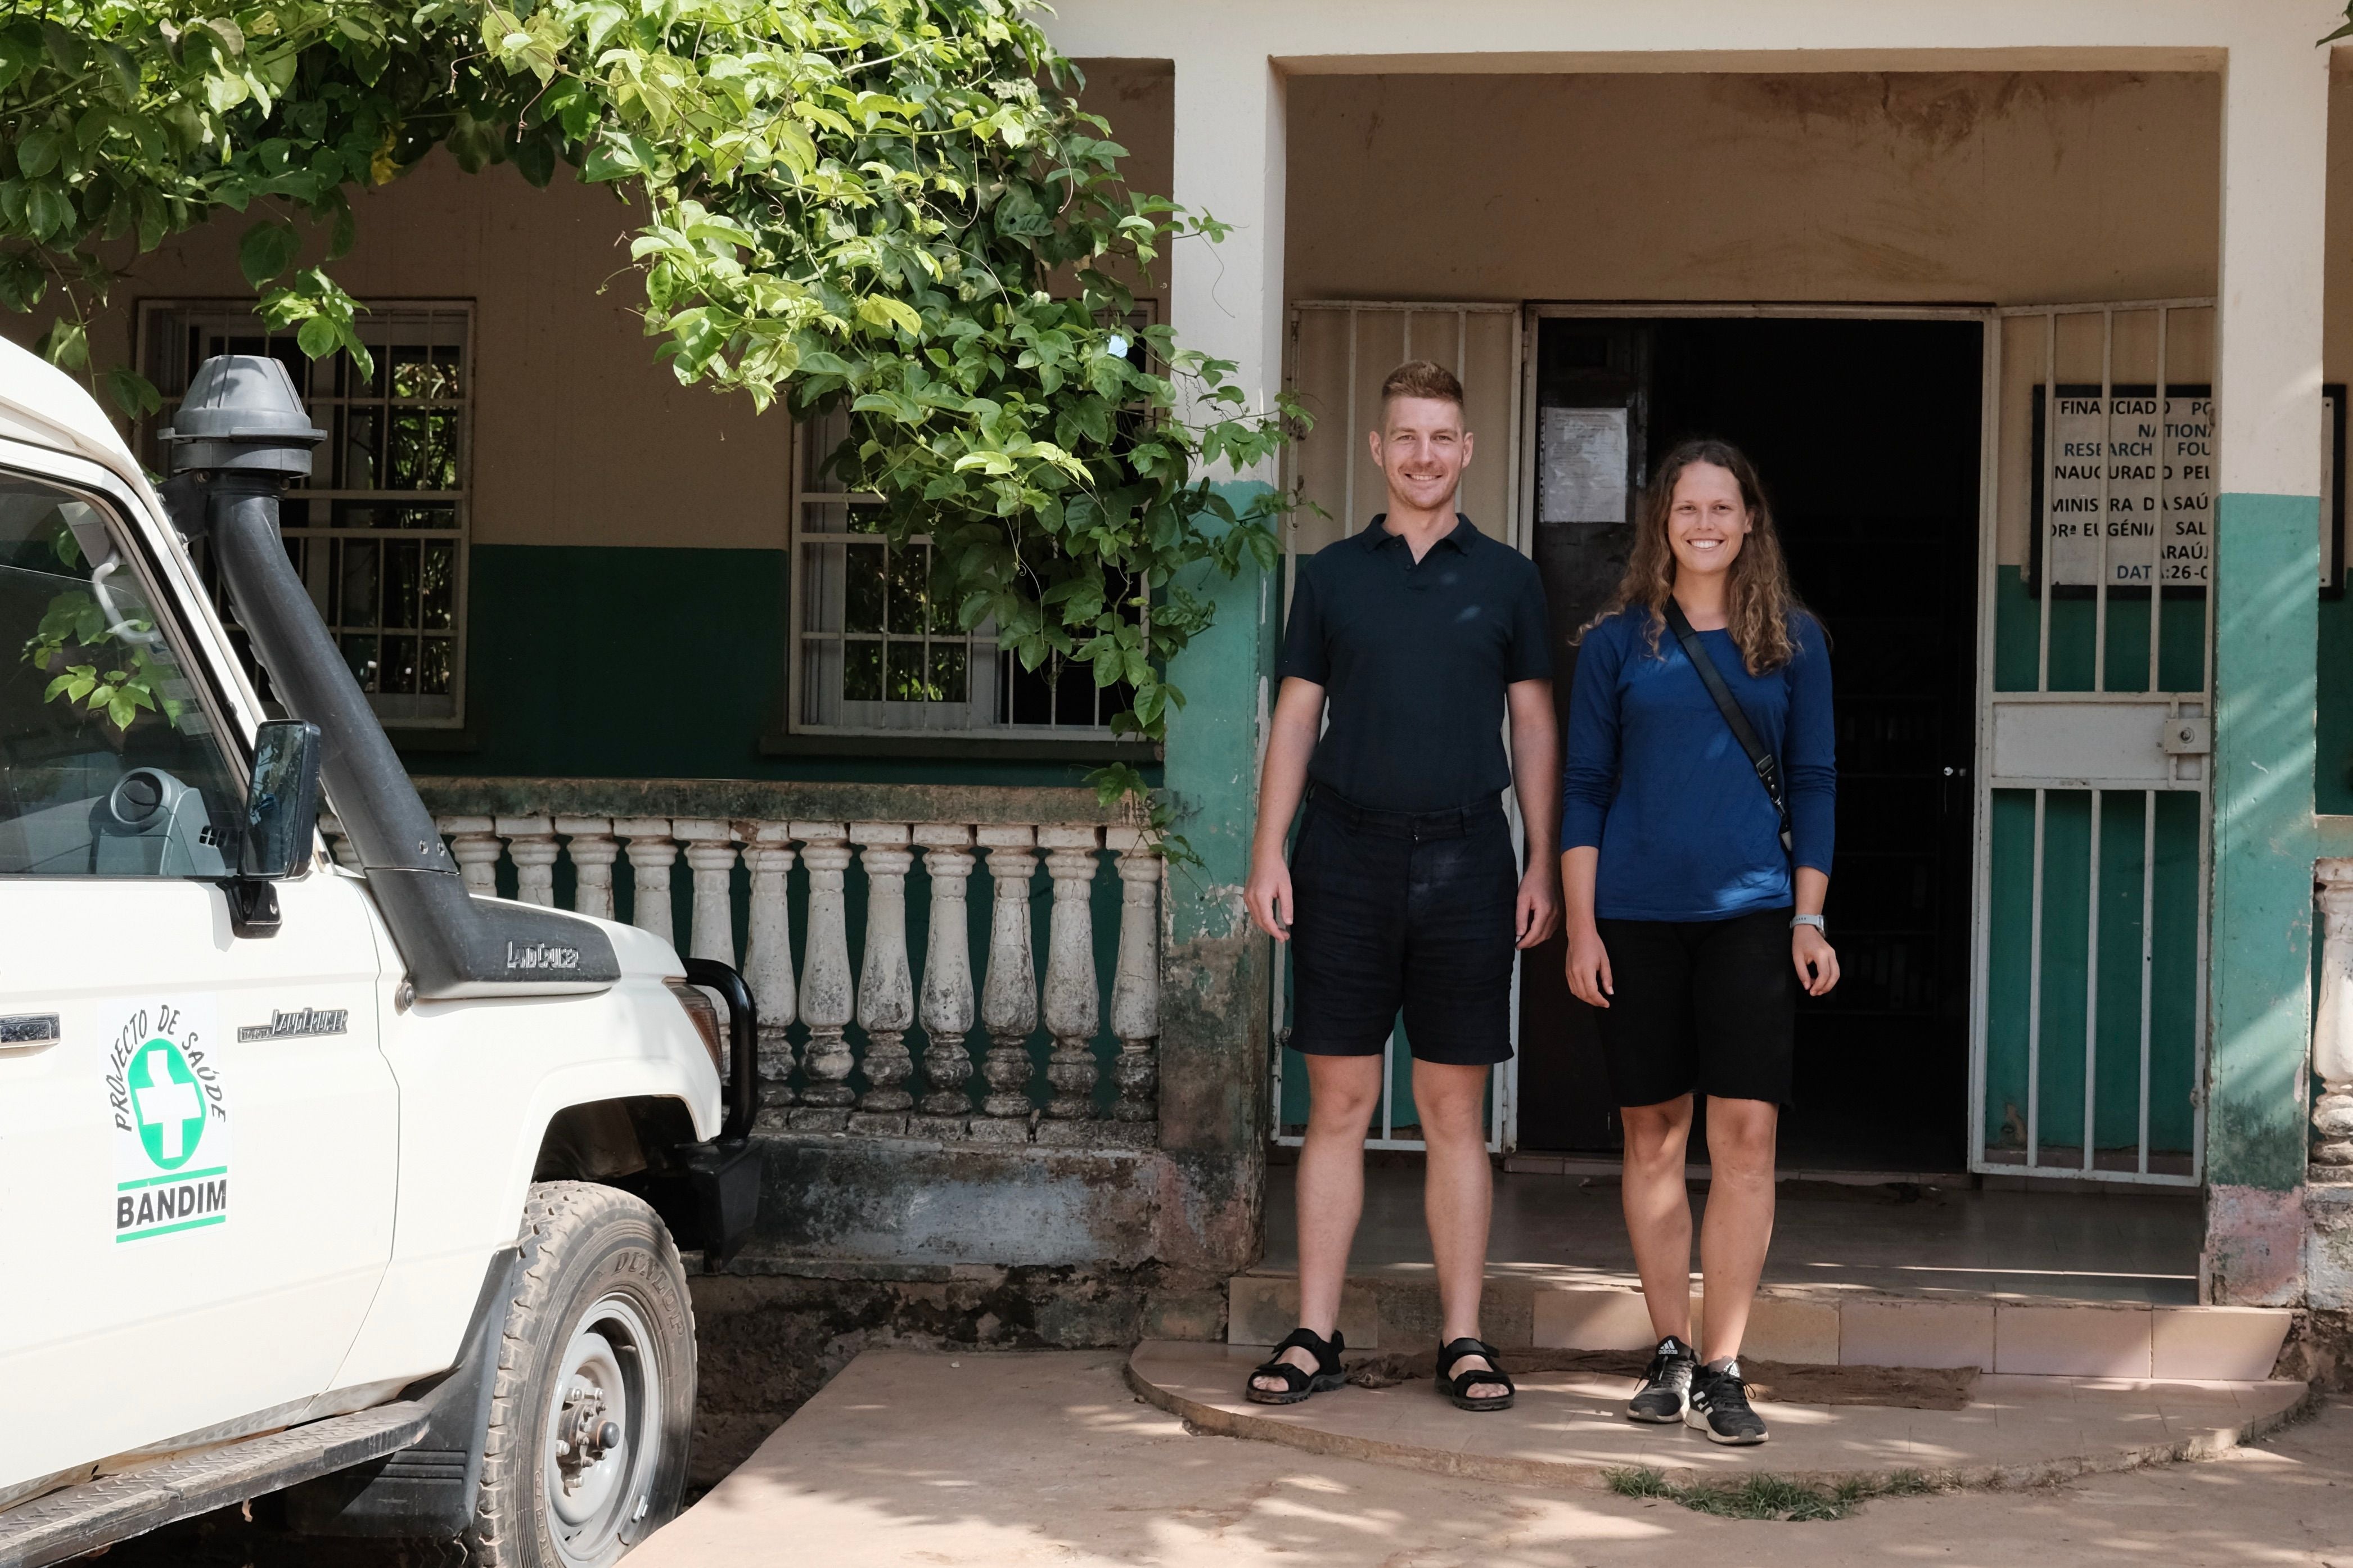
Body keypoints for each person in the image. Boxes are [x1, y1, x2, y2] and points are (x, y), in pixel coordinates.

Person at [1242, 360, 1559, 1412]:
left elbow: (1533, 726)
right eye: (1406, 436)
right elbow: (1295, 717)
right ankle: (1314, 1333)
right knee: (1338, 1102)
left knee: (1452, 1107)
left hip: (1472, 857)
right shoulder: (1331, 575)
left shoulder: (1509, 578)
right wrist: (1268, 847)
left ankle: (1462, 1337)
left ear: (1468, 451)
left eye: (1443, 437)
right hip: (1344, 852)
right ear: (1378, 451)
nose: (1425, 454)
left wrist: (1544, 859)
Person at [1559, 437, 1838, 1447]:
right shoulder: (1615, 646)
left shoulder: (1794, 642)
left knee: (1748, 1137)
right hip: (1635, 917)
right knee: (1653, 1135)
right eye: (1689, 509)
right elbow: (1582, 790)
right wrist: (1581, 925)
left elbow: (1814, 783)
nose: (1707, 524)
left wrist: (1808, 916)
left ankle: (1725, 1362)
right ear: (1663, 523)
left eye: (1724, 507)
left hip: (1754, 916)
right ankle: (1669, 1348)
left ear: (1750, 519)